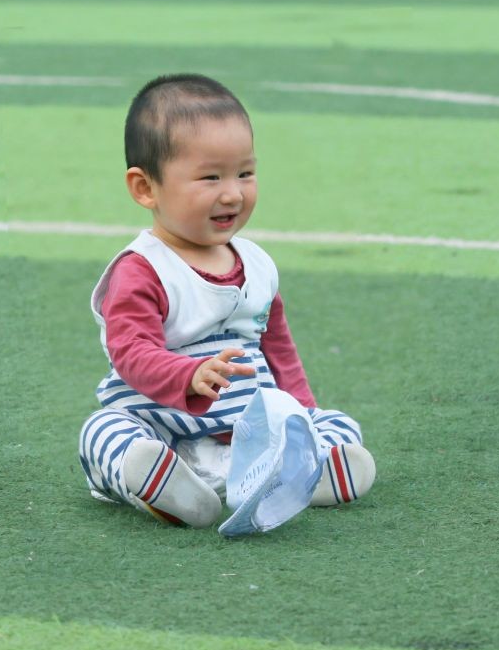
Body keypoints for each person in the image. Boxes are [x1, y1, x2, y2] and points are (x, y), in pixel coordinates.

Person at [78, 75, 375, 530]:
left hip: (245, 430)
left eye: (245, 173)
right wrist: (189, 375)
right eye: (210, 177)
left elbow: (277, 347)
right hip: (162, 422)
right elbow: (131, 353)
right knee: (102, 432)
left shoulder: (256, 264)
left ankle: (296, 472)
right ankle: (161, 481)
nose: (233, 192)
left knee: (337, 424)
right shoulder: (142, 269)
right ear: (145, 188)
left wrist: (302, 412)